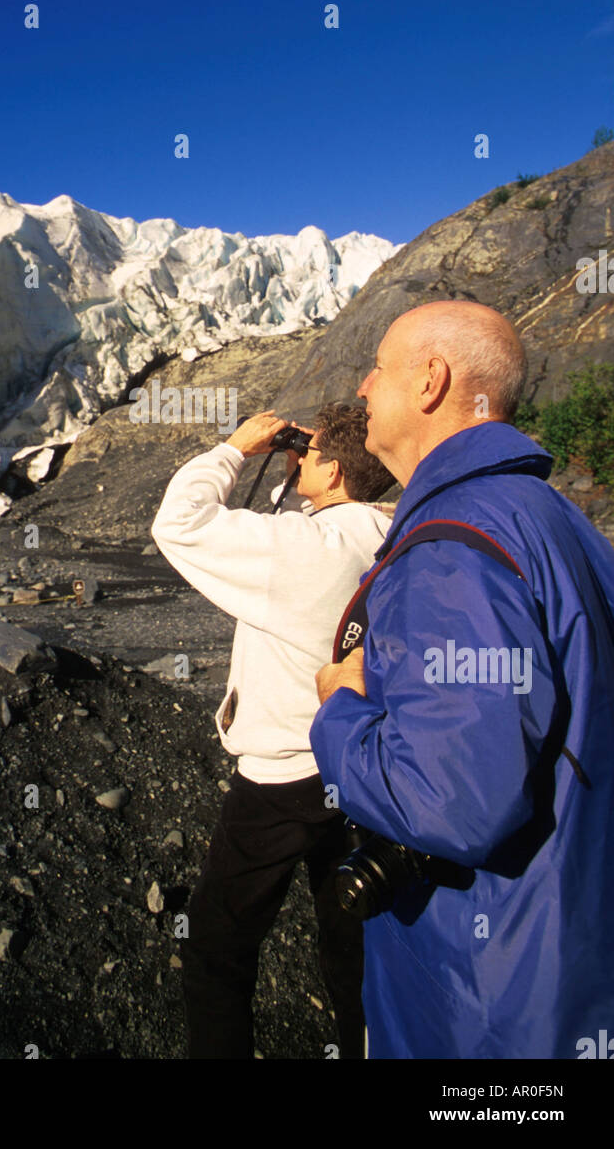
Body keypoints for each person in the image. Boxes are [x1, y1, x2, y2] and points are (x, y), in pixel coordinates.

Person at [310, 300, 614, 1059]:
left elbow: (450, 802)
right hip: (570, 945)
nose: (363, 383)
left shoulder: (451, 550)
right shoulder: (546, 513)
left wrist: (339, 713)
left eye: (378, 366)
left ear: (430, 381)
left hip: (484, 994)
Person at [151, 404, 394, 1058]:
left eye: (310, 454)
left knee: (216, 941)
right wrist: (304, 476)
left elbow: (178, 523)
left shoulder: (304, 550)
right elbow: (312, 539)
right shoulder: (391, 533)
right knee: (349, 938)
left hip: (282, 774)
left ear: (334, 468)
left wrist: (233, 449)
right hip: (357, 766)